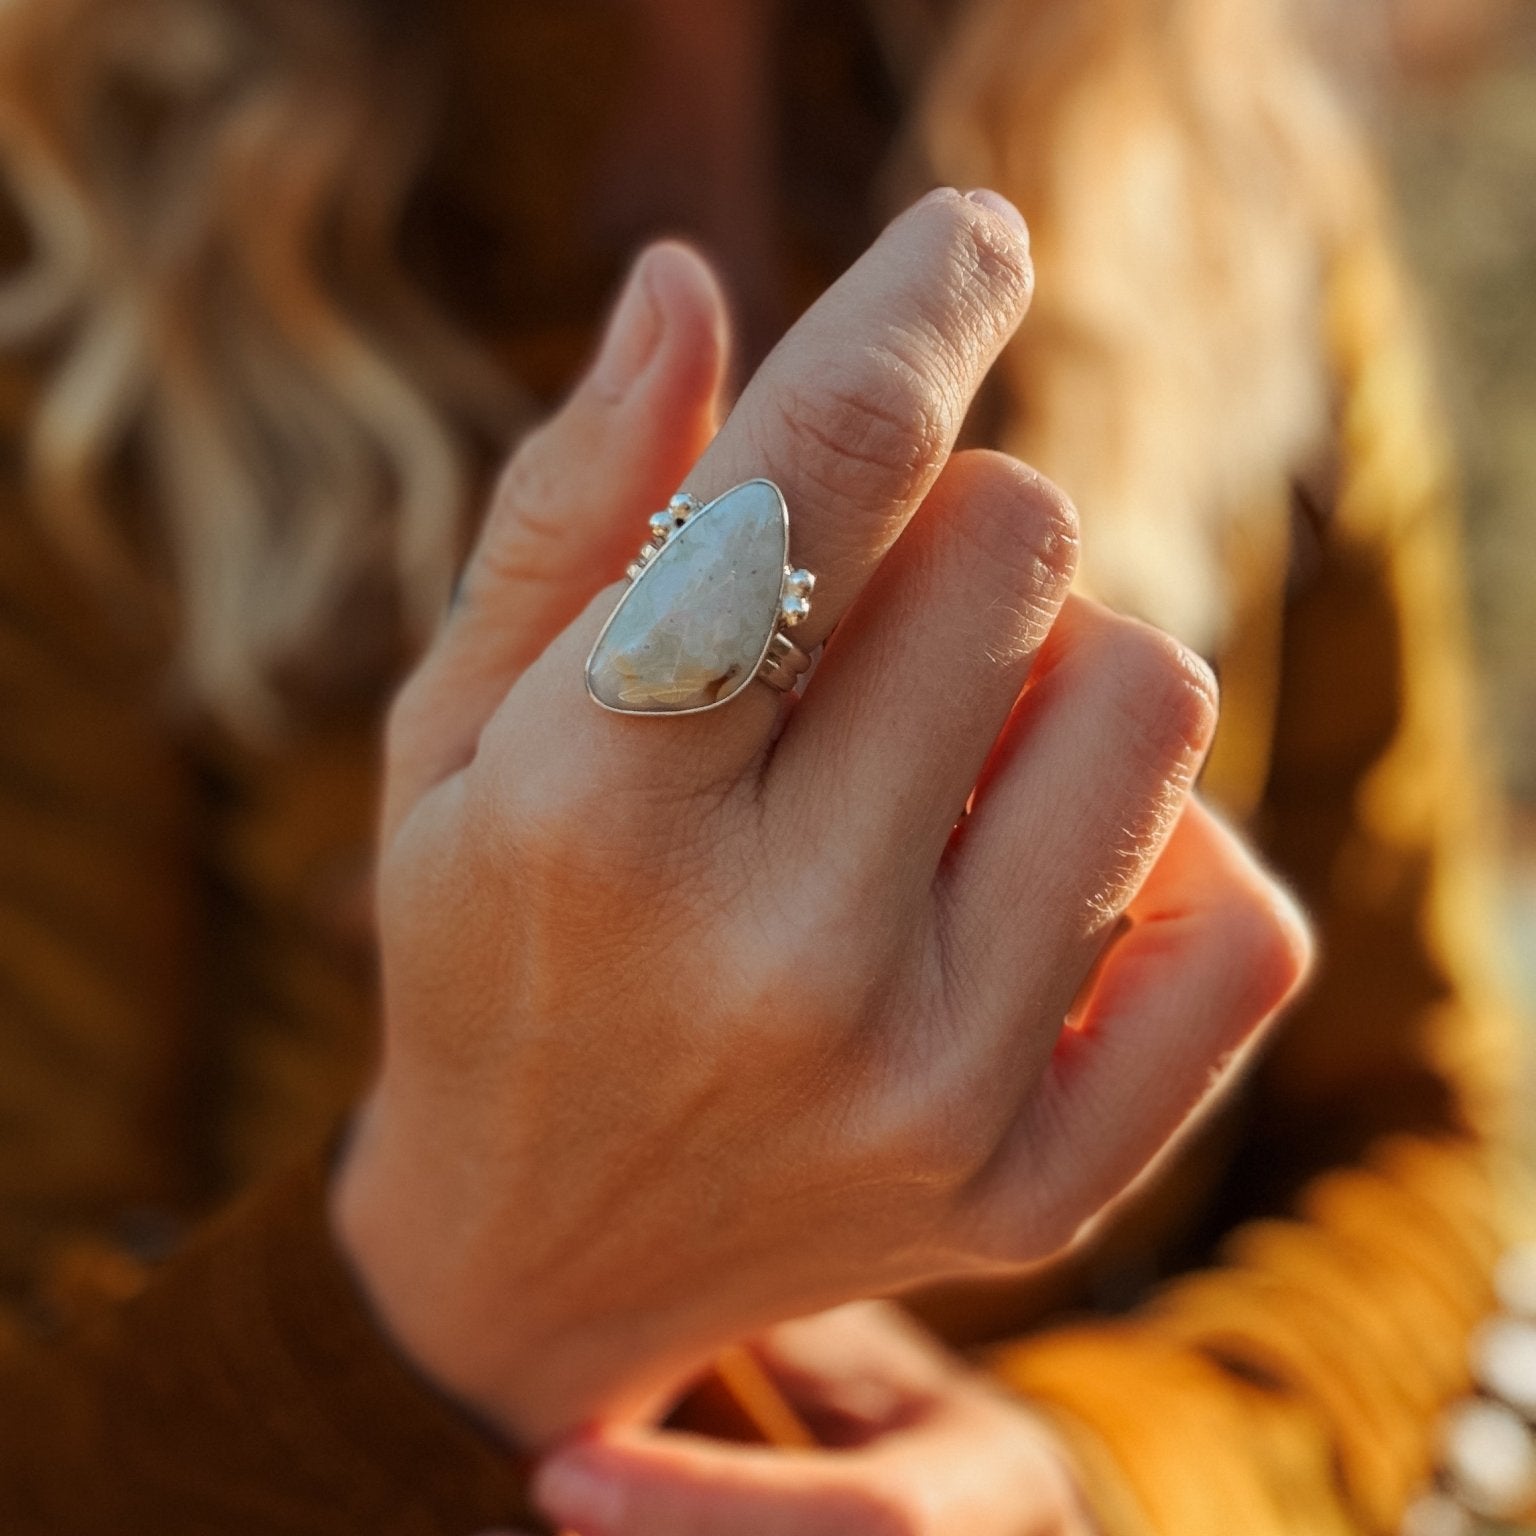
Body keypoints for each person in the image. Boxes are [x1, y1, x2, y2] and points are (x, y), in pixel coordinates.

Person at [0, 1, 1518, 1533]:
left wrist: (1096, 1480)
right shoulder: (69, 216)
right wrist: (454, 1296)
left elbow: (1428, 1135)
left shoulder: (1229, 176)